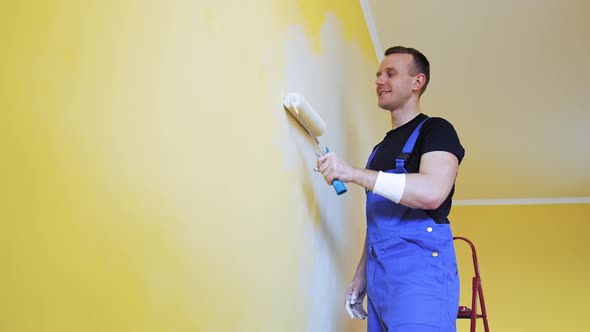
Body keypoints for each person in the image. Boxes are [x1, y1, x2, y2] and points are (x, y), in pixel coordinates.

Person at [316, 46, 465, 332]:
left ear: (417, 82)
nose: (379, 81)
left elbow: (432, 191)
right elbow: (379, 221)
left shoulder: (436, 130)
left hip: (420, 275)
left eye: (390, 73)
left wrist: (354, 173)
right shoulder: (378, 152)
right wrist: (362, 277)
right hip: (379, 277)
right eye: (378, 75)